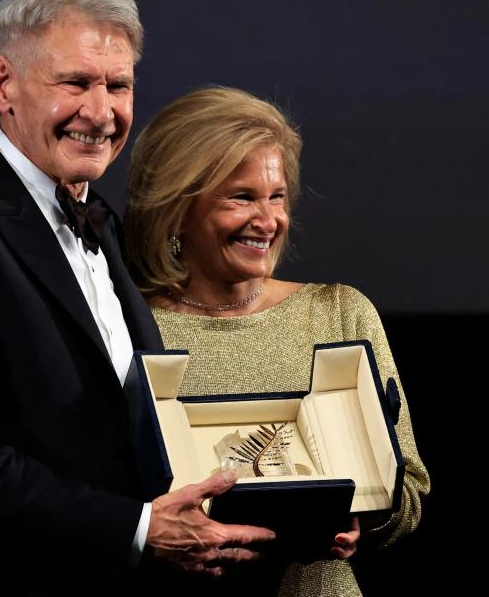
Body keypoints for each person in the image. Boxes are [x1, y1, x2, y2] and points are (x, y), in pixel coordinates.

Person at [0, 0, 275, 596]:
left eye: (118, 85)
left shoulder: (103, 222)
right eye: (76, 82)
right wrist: (138, 528)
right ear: (5, 84)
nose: (101, 111)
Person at [124, 86, 431, 596]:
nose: (269, 221)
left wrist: (365, 518)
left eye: (277, 196)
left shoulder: (337, 313)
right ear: (176, 208)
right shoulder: (126, 326)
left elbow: (410, 492)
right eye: (241, 197)